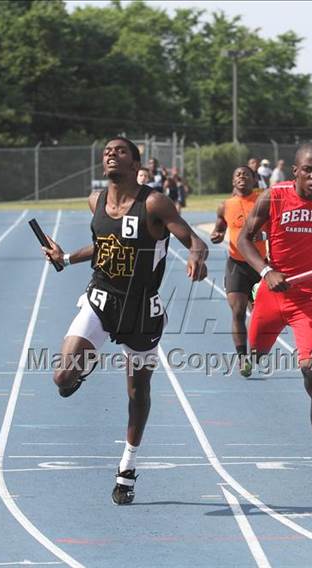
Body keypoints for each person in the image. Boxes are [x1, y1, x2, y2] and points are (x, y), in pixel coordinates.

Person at [43, 137, 208, 505]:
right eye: (106, 151)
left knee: (137, 393)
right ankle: (82, 370)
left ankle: (127, 467)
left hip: (142, 313)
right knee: (61, 376)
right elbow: (106, 245)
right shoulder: (95, 200)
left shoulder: (154, 202)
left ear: (136, 164)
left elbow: (195, 241)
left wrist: (197, 256)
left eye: (120, 150)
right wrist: (66, 257)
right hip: (101, 301)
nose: (110, 153)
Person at [237, 142, 312, 494]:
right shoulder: (274, 196)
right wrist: (266, 271)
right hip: (272, 292)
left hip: (308, 301)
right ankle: (253, 350)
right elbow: (244, 238)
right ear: (295, 171)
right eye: (308, 170)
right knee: (256, 352)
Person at [210, 166, 267, 378]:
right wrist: (216, 235)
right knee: (238, 312)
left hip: (260, 265)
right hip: (236, 264)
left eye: (246, 174)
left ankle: (257, 347)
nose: (242, 177)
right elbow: (220, 229)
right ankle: (243, 358)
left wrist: (264, 237)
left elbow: (276, 228)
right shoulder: (225, 205)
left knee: (260, 314)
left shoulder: (264, 200)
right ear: (233, 181)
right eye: (238, 174)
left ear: (254, 180)